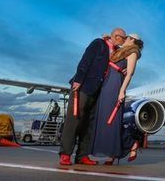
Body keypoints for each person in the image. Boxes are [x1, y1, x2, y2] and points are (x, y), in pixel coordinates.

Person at [59, 27, 127, 166]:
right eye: (123, 38)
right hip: (83, 86)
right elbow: (85, 60)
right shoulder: (98, 43)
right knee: (74, 120)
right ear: (116, 36)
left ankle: (82, 155)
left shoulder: (116, 52)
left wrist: (123, 69)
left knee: (90, 124)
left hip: (99, 91)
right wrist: (78, 79)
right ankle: (65, 153)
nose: (124, 41)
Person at [88, 33, 144, 164]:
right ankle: (114, 154)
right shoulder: (120, 51)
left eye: (127, 37)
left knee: (112, 120)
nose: (125, 39)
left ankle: (129, 144)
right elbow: (112, 44)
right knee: (104, 120)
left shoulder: (133, 52)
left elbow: (130, 74)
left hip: (115, 86)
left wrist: (122, 91)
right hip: (107, 84)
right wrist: (108, 38)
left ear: (132, 40)